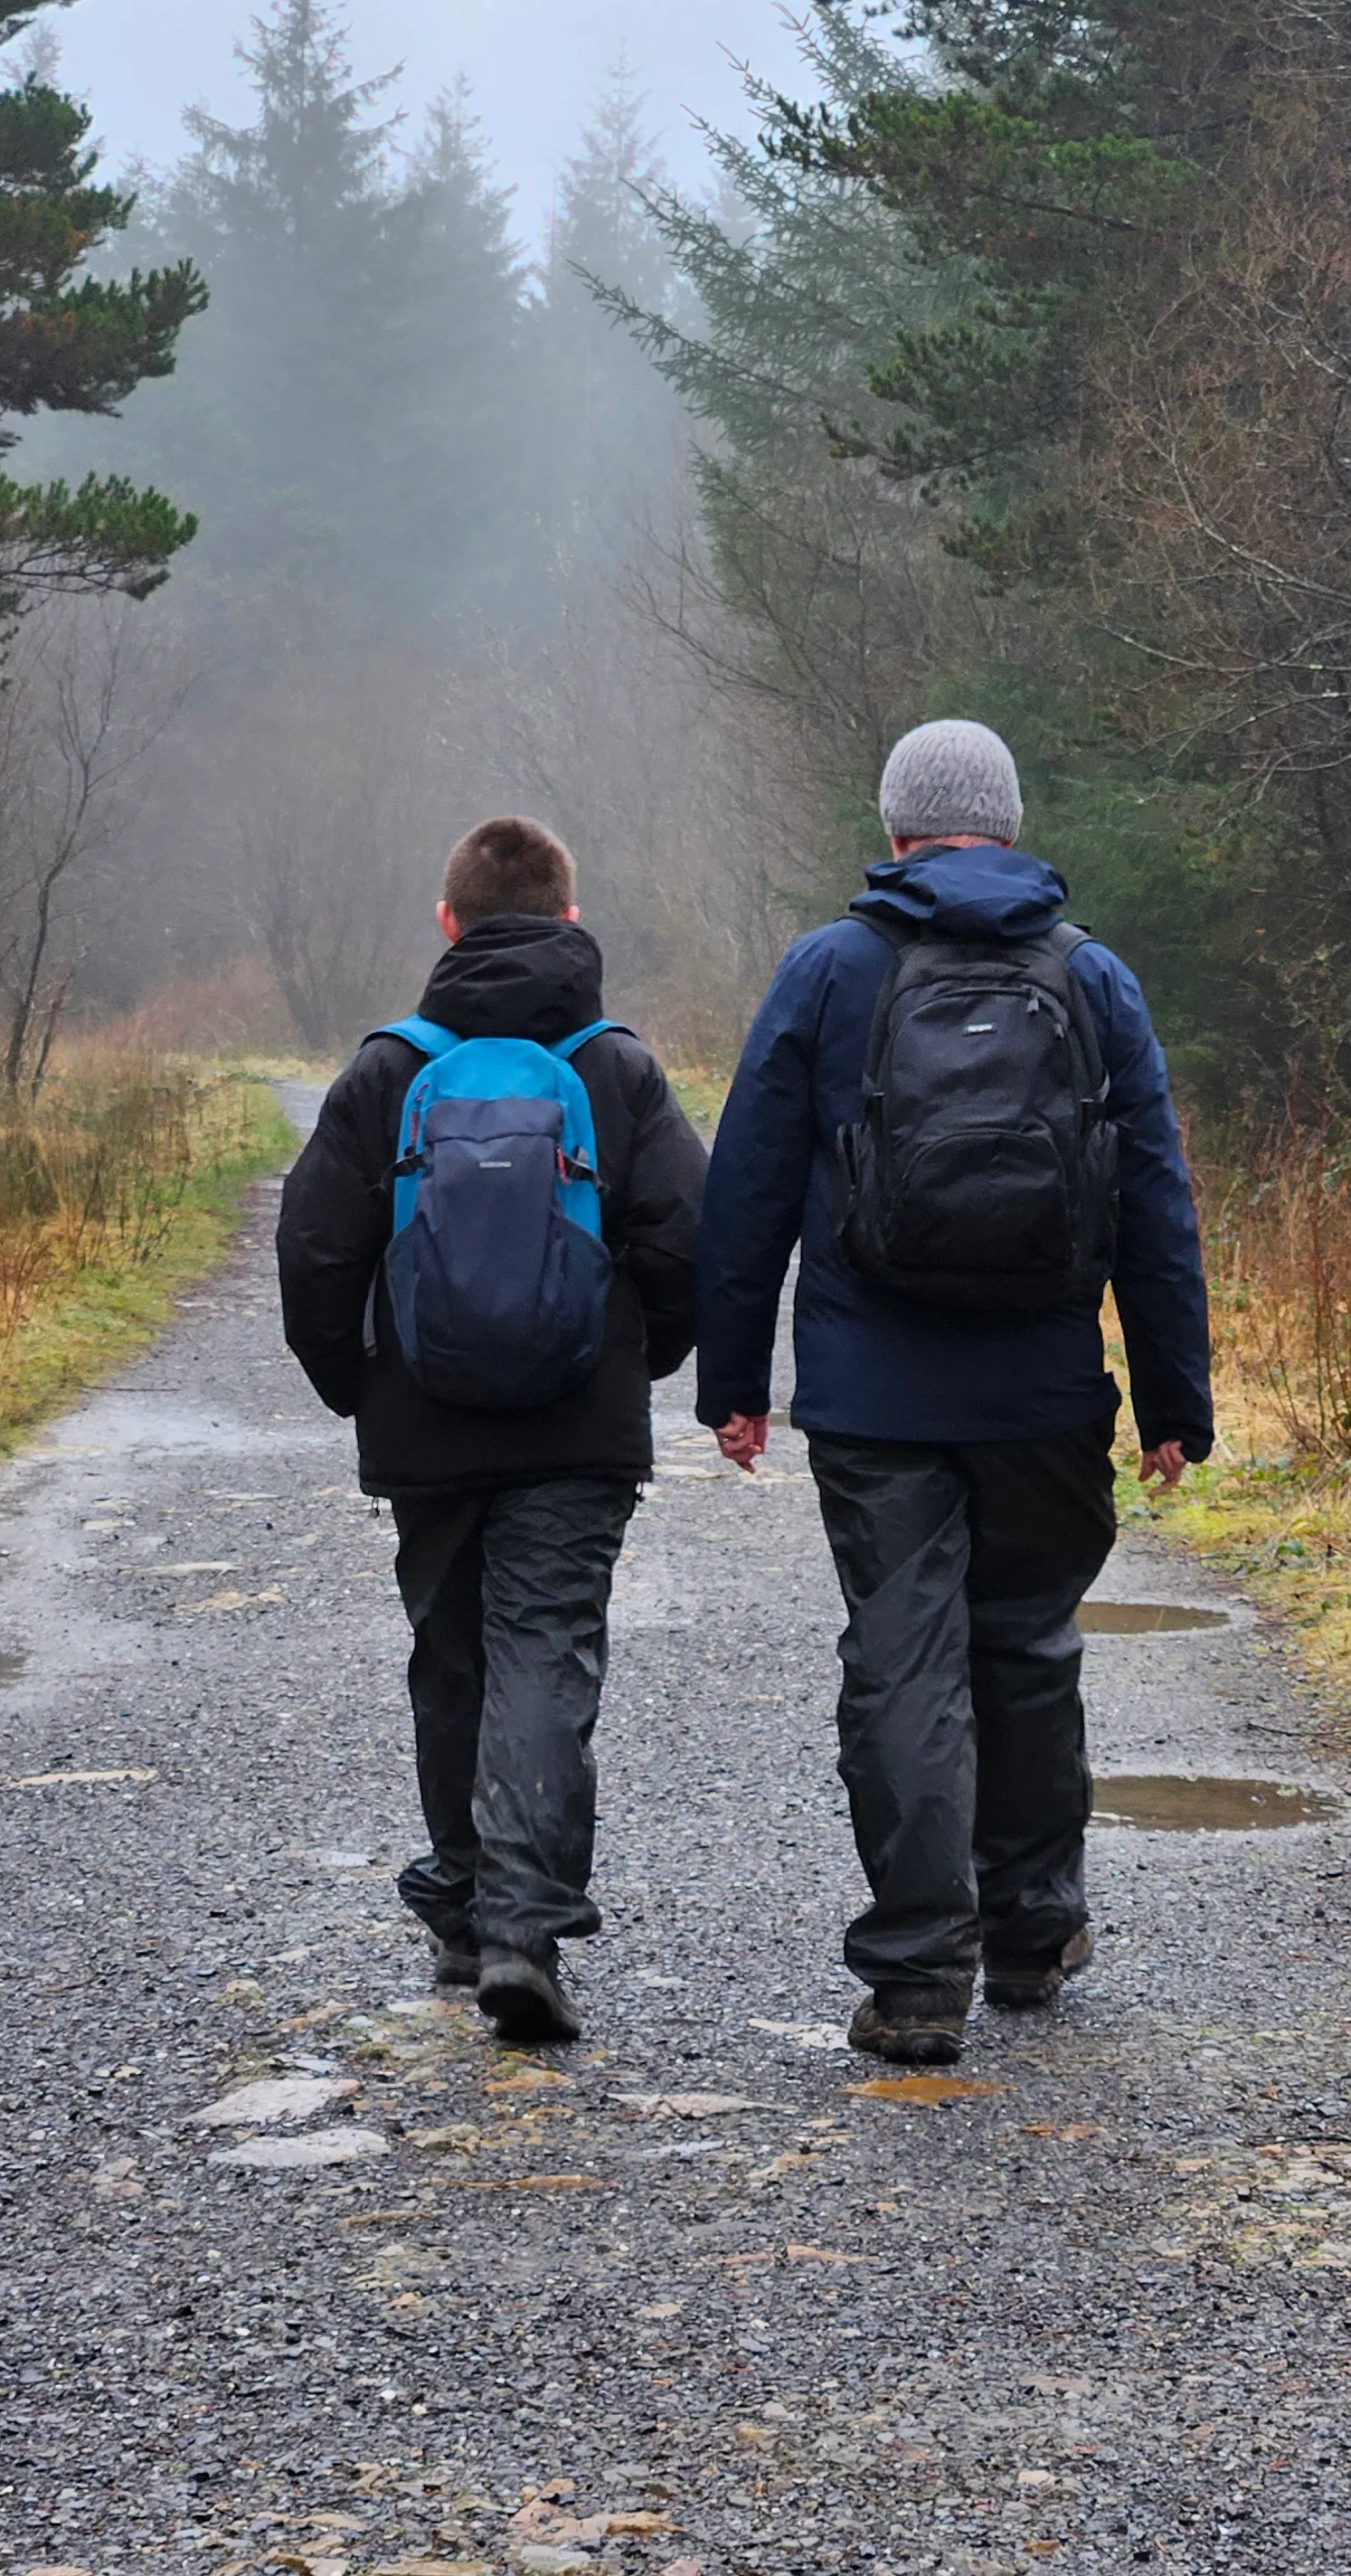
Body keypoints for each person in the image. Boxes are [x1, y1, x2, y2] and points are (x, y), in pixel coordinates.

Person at [694, 718, 1215, 2062]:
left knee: (903, 1666)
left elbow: (747, 1191)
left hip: (877, 1398)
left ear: (897, 831)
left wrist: (736, 1383)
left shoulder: (828, 971)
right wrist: (1173, 1397)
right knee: (1028, 1646)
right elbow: (1155, 1201)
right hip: (1045, 1390)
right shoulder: (1092, 978)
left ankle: (922, 1979)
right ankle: (1034, 1934)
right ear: (1011, 818)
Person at [276, 815, 704, 2043]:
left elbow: (313, 1246)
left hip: (429, 1419)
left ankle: (467, 1912)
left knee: (452, 1653)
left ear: (447, 922)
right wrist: (645, 1359)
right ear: (573, 922)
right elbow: (686, 1237)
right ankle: (523, 1926)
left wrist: (355, 1384)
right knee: (547, 1654)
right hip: (580, 1423)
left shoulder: (389, 1070)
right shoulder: (615, 1067)